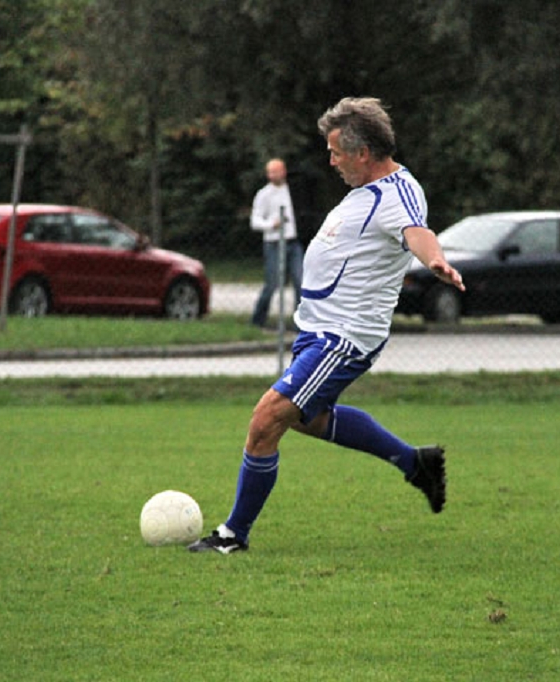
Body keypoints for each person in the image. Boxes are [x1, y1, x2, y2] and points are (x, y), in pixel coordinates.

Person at [189, 98, 465, 554]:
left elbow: (417, 233)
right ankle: (415, 463)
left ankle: (233, 535)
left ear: (363, 152)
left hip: (344, 337)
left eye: (337, 152)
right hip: (319, 331)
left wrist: (435, 260)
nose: (331, 161)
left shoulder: (396, 194)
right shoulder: (368, 189)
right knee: (308, 418)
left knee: (266, 420)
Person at [250, 158, 304, 328]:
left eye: (276, 171)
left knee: (300, 281)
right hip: (274, 243)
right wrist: (271, 224)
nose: (273, 175)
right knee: (272, 283)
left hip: (293, 242)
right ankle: (257, 320)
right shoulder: (264, 194)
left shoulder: (293, 191)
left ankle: (300, 324)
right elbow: (255, 221)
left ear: (284, 171)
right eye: (270, 172)